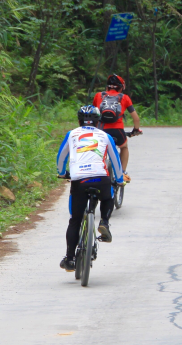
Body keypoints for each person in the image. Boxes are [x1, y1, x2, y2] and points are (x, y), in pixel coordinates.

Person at [55, 105, 124, 272]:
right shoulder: (105, 136)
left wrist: (62, 173)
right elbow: (115, 160)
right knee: (108, 197)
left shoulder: (71, 134)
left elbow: (61, 156)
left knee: (75, 221)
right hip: (101, 177)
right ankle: (104, 222)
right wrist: (120, 179)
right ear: (98, 121)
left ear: (79, 121)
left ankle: (70, 259)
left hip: (79, 179)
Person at [92, 74, 141, 183]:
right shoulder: (124, 98)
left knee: (96, 148)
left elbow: (93, 113)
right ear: (121, 87)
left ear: (107, 86)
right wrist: (136, 130)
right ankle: (122, 172)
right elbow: (136, 119)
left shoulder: (98, 96)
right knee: (124, 147)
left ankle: (94, 171)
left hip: (100, 131)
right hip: (117, 131)